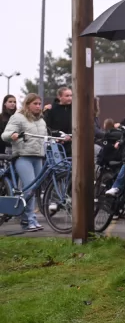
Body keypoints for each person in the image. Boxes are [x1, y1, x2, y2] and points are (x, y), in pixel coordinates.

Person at [2, 93, 48, 231]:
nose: (38, 106)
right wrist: (12, 135)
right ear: (27, 104)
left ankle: (24, 218)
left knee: (33, 190)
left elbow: (44, 136)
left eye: (40, 104)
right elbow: (5, 134)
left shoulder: (41, 121)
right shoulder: (18, 117)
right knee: (29, 188)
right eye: (35, 104)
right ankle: (30, 220)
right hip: (23, 156)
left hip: (38, 157)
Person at [44, 87, 73, 155]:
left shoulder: (74, 108)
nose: (70, 98)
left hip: (71, 143)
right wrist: (60, 135)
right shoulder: (51, 110)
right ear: (59, 97)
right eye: (67, 96)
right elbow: (47, 127)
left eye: (71, 95)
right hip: (56, 143)